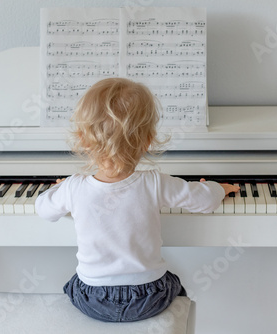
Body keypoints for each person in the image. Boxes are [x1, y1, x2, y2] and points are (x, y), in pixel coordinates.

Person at [35, 77, 238, 322]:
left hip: (92, 299)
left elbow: (43, 209)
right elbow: (205, 201)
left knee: (71, 283)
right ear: (148, 140)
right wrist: (218, 189)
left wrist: (61, 189)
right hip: (148, 297)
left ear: (83, 139)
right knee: (176, 285)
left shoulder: (74, 187)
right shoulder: (155, 182)